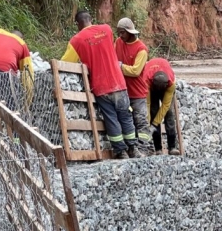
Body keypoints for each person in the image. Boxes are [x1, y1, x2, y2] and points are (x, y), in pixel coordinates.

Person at [61, 11, 141, 159]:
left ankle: (121, 151)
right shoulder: (107, 30)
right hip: (119, 83)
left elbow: (65, 63)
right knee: (125, 116)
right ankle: (133, 148)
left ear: (78, 24)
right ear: (91, 19)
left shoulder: (76, 40)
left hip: (101, 86)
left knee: (111, 118)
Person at [114, 17, 152, 151]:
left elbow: (136, 71)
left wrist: (120, 67)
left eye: (122, 32)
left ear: (130, 32)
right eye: (118, 32)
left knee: (140, 120)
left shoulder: (141, 49)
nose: (120, 35)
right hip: (123, 90)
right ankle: (133, 147)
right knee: (126, 120)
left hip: (137, 92)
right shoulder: (118, 42)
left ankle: (145, 147)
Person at [143, 58, 180, 155]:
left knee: (169, 114)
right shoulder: (146, 80)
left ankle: (172, 147)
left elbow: (165, 106)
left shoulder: (171, 83)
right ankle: (158, 148)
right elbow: (147, 104)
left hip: (165, 88)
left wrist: (155, 124)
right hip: (152, 87)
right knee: (153, 111)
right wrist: (148, 123)